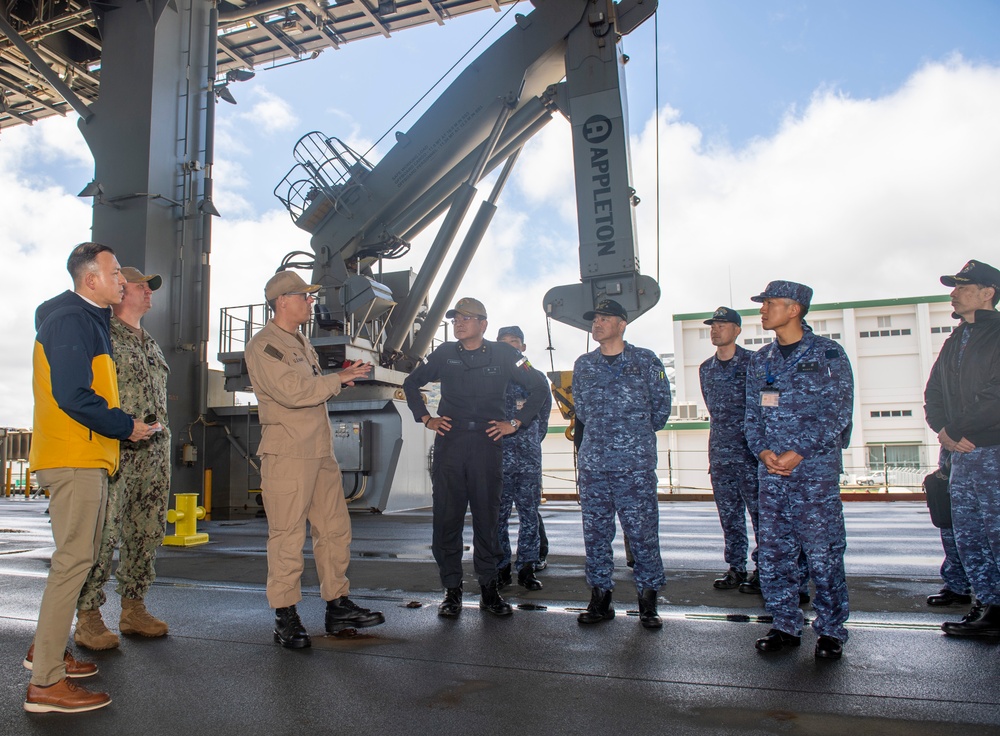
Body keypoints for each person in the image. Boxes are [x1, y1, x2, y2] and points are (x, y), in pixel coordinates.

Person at [24, 242, 159, 713]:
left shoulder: (88, 320)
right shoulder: (71, 320)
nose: (123, 280)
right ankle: (45, 682)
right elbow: (73, 395)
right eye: (116, 272)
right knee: (74, 564)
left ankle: (46, 655)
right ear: (91, 280)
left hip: (89, 456)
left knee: (72, 562)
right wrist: (127, 426)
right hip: (75, 456)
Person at [244, 271, 384, 649]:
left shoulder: (302, 341)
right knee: (288, 537)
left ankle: (337, 605)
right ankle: (285, 616)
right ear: (282, 301)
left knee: (335, 530)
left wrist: (339, 379)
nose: (310, 302)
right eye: (304, 297)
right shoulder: (265, 345)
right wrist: (339, 379)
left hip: (320, 451)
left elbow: (311, 390)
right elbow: (293, 392)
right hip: (288, 453)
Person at [402, 298, 548, 618]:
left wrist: (516, 423)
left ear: (483, 324)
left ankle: (489, 591)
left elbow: (539, 387)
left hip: (487, 443)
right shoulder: (444, 354)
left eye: (467, 318)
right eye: (456, 318)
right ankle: (451, 592)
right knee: (446, 520)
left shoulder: (507, 355)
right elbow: (411, 383)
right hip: (450, 443)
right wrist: (426, 418)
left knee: (487, 520)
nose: (458, 323)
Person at [744, 281, 853, 660]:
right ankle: (785, 624)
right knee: (774, 553)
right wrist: (762, 451)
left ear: (794, 309)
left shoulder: (828, 354)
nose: (762, 310)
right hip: (771, 474)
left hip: (814, 474)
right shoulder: (761, 360)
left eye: (769, 303)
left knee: (822, 553)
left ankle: (831, 630)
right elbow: (751, 416)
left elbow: (838, 412)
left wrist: (798, 452)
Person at [74, 267, 172, 650]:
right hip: (117, 449)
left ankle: (134, 607)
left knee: (147, 530)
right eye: (141, 286)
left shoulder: (151, 344)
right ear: (120, 293)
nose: (149, 292)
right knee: (103, 534)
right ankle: (89, 615)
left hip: (153, 453)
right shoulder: (104, 338)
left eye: (151, 287)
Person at [572, 299, 671, 629]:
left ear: (622, 324)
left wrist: (633, 436)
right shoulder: (584, 364)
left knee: (642, 533)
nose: (597, 323)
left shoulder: (647, 361)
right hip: (594, 465)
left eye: (604, 318)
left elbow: (661, 408)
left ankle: (648, 600)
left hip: (634, 466)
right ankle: (600, 599)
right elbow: (582, 411)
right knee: (596, 534)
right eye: (595, 318)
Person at [923, 259, 1000, 637]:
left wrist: (956, 428)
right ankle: (989, 607)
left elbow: (996, 395)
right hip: (959, 452)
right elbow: (934, 391)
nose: (953, 293)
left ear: (988, 292)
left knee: (997, 533)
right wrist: (942, 429)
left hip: (991, 450)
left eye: (962, 286)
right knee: (969, 534)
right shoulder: (956, 338)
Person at [698, 306, 761, 592]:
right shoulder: (705, 369)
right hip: (721, 453)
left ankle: (765, 568)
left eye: (722, 325)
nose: (715, 329)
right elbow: (714, 410)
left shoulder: (754, 363)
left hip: (751, 453)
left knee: (762, 515)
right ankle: (736, 568)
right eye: (713, 325)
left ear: (737, 329)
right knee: (729, 515)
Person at [494, 325, 552, 592]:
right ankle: (501, 568)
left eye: (514, 342)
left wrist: (527, 442)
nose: (510, 347)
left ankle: (527, 568)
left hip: (528, 460)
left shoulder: (537, 379)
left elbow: (543, 420)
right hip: (497, 459)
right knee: (498, 516)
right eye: (504, 343)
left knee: (529, 514)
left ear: (524, 347)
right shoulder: (492, 378)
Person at [924, 450, 973, 608]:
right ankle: (956, 586)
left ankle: (990, 597)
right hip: (953, 455)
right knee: (950, 529)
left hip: (981, 448)